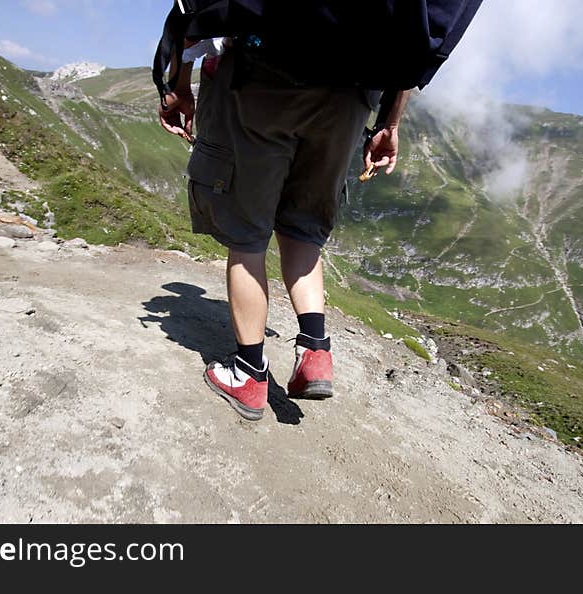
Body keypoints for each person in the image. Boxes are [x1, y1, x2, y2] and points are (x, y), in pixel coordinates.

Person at [156, 3, 479, 421]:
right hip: (350, 97)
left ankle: (249, 373)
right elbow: (407, 41)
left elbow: (195, 9)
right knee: (303, 227)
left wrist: (179, 84)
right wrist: (390, 122)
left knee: (248, 236)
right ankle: (314, 351)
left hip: (262, 75)